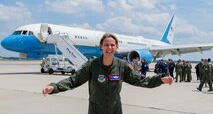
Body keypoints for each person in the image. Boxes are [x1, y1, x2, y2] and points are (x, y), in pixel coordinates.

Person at [42, 33, 173, 114]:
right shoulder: (92, 65)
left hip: (115, 110)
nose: (109, 48)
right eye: (106, 45)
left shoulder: (121, 66)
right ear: (101, 47)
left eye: (112, 45)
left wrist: (160, 80)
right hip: (95, 111)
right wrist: (54, 87)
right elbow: (73, 81)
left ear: (116, 47)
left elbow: (140, 80)